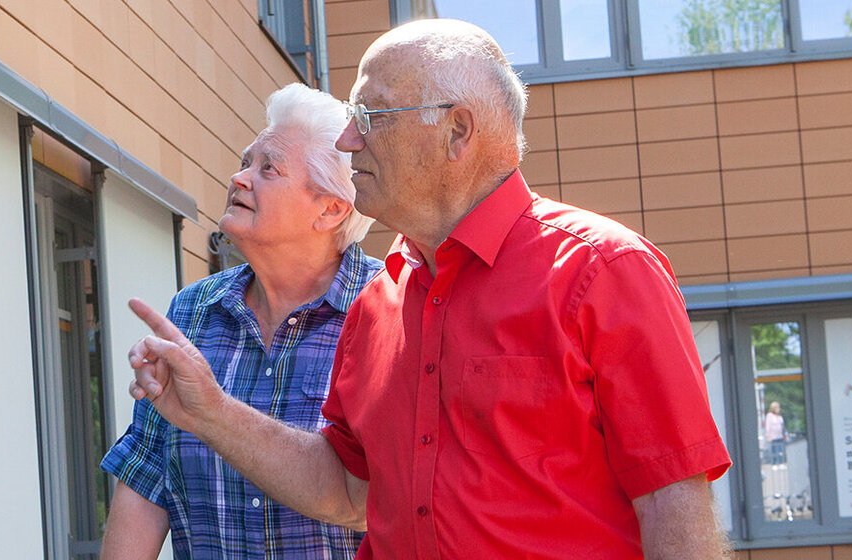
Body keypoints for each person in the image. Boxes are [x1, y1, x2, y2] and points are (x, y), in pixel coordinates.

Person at [123, 19, 730, 558]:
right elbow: (346, 489)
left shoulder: (603, 272)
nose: (347, 141)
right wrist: (212, 412)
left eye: (370, 118)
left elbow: (674, 506)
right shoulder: (377, 301)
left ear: (457, 132)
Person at [100, 83, 381, 560]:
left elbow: (379, 498)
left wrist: (214, 412)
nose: (239, 177)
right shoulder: (192, 311)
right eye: (245, 161)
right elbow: (146, 477)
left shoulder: (388, 310)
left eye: (267, 168)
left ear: (331, 209)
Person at [763, 401, 787, 466]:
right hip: (773, 436)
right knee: (774, 450)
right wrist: (768, 436)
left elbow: (782, 426)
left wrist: (784, 435)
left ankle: (781, 462)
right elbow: (768, 426)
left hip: (780, 436)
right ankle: (774, 463)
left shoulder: (779, 416)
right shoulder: (769, 416)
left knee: (780, 450)